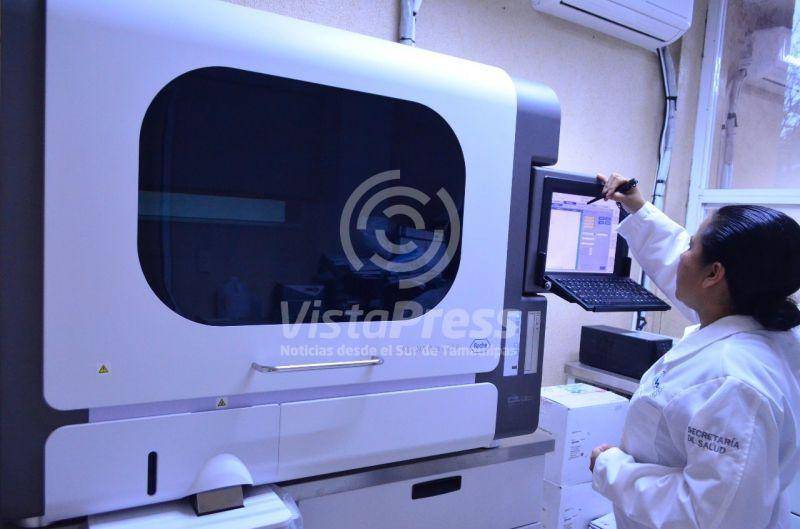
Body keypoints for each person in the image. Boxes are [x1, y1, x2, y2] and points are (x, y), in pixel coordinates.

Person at [588, 173, 800, 529]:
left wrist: (611, 469)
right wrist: (639, 209)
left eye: (690, 246)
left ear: (714, 274)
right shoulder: (761, 320)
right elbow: (680, 262)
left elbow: (711, 517)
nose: (681, 255)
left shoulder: (733, 383)